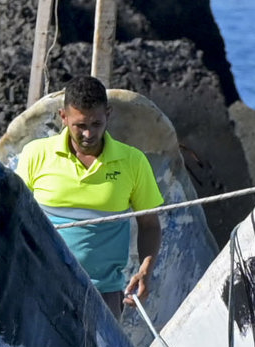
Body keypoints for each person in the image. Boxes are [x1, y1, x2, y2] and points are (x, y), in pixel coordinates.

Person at [16, 75, 163, 313]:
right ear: (63, 117)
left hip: (104, 296)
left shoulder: (133, 161)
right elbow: (12, 218)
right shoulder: (35, 155)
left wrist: (146, 269)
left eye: (96, 124)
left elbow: (149, 224)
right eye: (80, 126)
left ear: (108, 114)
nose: (88, 134)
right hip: (40, 290)